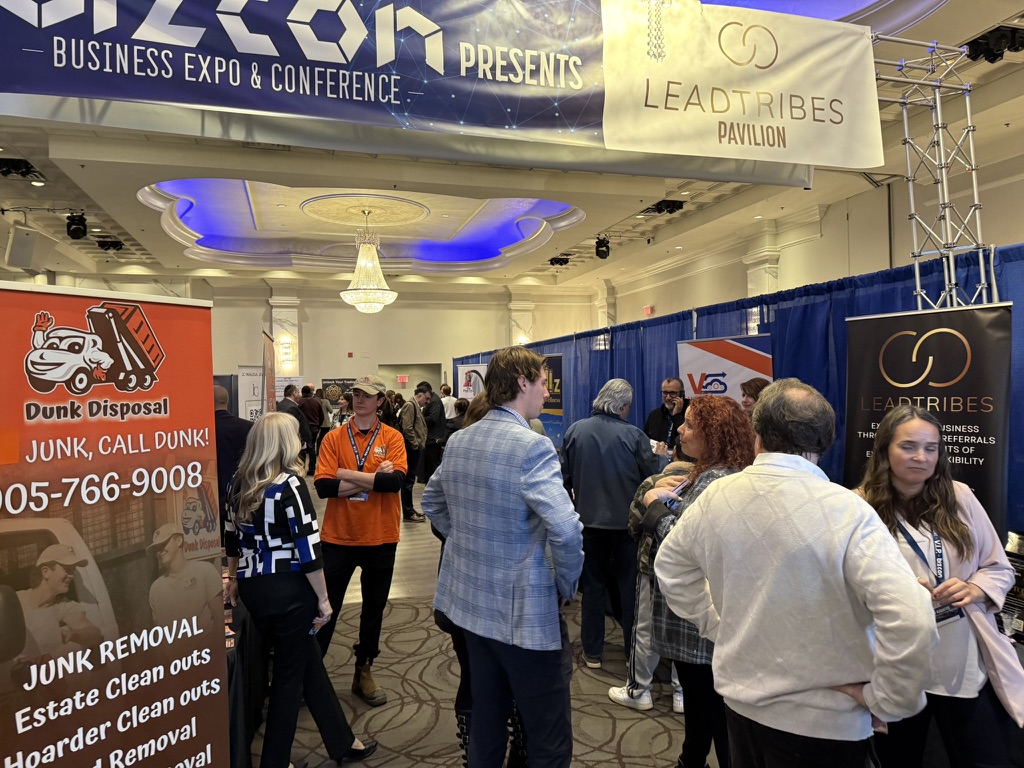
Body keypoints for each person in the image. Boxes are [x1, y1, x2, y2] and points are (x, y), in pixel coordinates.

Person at [655, 379, 937, 768]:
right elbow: (913, 616)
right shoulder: (847, 510)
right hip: (827, 722)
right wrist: (888, 700)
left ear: (757, 433)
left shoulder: (718, 496)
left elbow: (671, 569)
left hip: (742, 706)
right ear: (825, 441)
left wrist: (717, 625)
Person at [422, 346, 584, 768]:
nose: (547, 393)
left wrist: (468, 543)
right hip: (523, 614)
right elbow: (567, 529)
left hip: (472, 607)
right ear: (522, 383)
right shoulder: (533, 446)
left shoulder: (460, 440)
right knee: (548, 737)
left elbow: (432, 503)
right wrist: (566, 585)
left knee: (488, 722)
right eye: (544, 383)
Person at [857, 405, 1024, 767]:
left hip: (961, 661)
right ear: (884, 449)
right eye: (908, 446)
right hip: (896, 663)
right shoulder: (859, 507)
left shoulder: (959, 497)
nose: (921, 457)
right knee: (898, 760)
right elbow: (843, 591)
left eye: (930, 448)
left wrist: (975, 589)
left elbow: (999, 567)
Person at [224, 412, 377, 768]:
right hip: (290, 591)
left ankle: (343, 742)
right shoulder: (289, 484)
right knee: (289, 679)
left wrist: (233, 578)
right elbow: (308, 548)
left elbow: (231, 537)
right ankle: (275, 762)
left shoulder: (236, 482)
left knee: (305, 662)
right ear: (284, 443)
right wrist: (324, 599)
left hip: (254, 588)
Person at [634, 395, 754, 768]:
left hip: (697, 624)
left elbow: (680, 546)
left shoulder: (714, 481)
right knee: (702, 712)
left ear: (713, 434)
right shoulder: (712, 474)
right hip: (700, 620)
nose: (681, 431)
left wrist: (653, 505)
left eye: (690, 425)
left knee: (716, 715)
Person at [313, 374, 407, 707]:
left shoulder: (393, 437)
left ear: (380, 401)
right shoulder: (334, 438)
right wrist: (372, 478)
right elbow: (323, 487)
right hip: (338, 537)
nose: (359, 399)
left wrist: (346, 474)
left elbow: (394, 483)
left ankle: (364, 669)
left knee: (373, 609)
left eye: (367, 395)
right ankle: (310, 672)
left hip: (381, 537)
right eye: (356, 394)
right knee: (324, 607)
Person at [561, 378, 660, 667]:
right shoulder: (634, 436)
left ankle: (592, 652)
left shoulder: (575, 431)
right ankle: (632, 653)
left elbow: (564, 479)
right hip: (626, 527)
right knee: (630, 590)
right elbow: (650, 480)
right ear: (623, 406)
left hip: (588, 524)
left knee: (593, 588)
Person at [608, 451, 691, 714]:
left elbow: (634, 524)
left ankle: (639, 691)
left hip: (653, 564)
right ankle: (682, 693)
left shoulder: (653, 482)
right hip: (692, 569)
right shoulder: (711, 484)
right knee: (688, 630)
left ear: (674, 454)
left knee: (644, 629)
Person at [16, 544, 104, 660]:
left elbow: (95, 634)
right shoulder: (14, 599)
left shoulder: (65, 606)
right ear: (46, 572)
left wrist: (72, 634)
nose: (72, 575)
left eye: (73, 570)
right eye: (67, 569)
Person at [147, 523, 222, 637]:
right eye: (156, 548)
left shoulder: (204, 571)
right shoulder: (156, 588)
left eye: (163, 544)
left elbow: (220, 618)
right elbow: (160, 634)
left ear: (179, 541)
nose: (159, 551)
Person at [214, 384, 253, 519]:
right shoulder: (250, 427)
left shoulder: (204, 430)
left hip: (216, 495)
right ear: (227, 401)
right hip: (243, 493)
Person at [397, 391, 428, 522]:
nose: (427, 402)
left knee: (410, 481)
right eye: (426, 398)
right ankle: (408, 512)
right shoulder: (410, 405)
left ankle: (410, 509)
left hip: (413, 448)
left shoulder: (415, 406)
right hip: (411, 448)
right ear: (420, 395)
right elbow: (407, 427)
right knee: (408, 481)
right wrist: (415, 444)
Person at [644, 377, 687, 454]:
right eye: (665, 393)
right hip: (658, 458)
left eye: (672, 393)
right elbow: (645, 442)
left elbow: (689, 438)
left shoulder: (691, 414)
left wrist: (676, 416)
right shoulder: (654, 415)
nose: (668, 397)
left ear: (682, 394)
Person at [415, 381, 447, 480]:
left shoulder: (434, 401)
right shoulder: (433, 400)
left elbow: (433, 418)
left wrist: (418, 419)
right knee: (429, 464)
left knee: (432, 465)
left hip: (433, 437)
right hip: (431, 437)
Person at [276, 384, 313, 459]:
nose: (300, 395)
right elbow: (292, 428)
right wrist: (303, 443)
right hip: (296, 446)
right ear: (294, 394)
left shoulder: (280, 404)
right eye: (298, 392)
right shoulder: (291, 407)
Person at [298, 386, 325, 474]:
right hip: (314, 427)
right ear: (310, 392)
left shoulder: (299, 402)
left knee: (302, 447)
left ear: (302, 393)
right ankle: (312, 469)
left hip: (302, 428)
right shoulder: (317, 402)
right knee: (312, 447)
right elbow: (322, 416)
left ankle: (301, 468)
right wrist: (318, 425)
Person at [314, 387, 333, 452]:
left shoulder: (314, 401)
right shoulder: (326, 401)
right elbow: (331, 411)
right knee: (325, 438)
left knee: (318, 438)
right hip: (325, 423)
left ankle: (318, 451)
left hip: (317, 422)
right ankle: (324, 451)